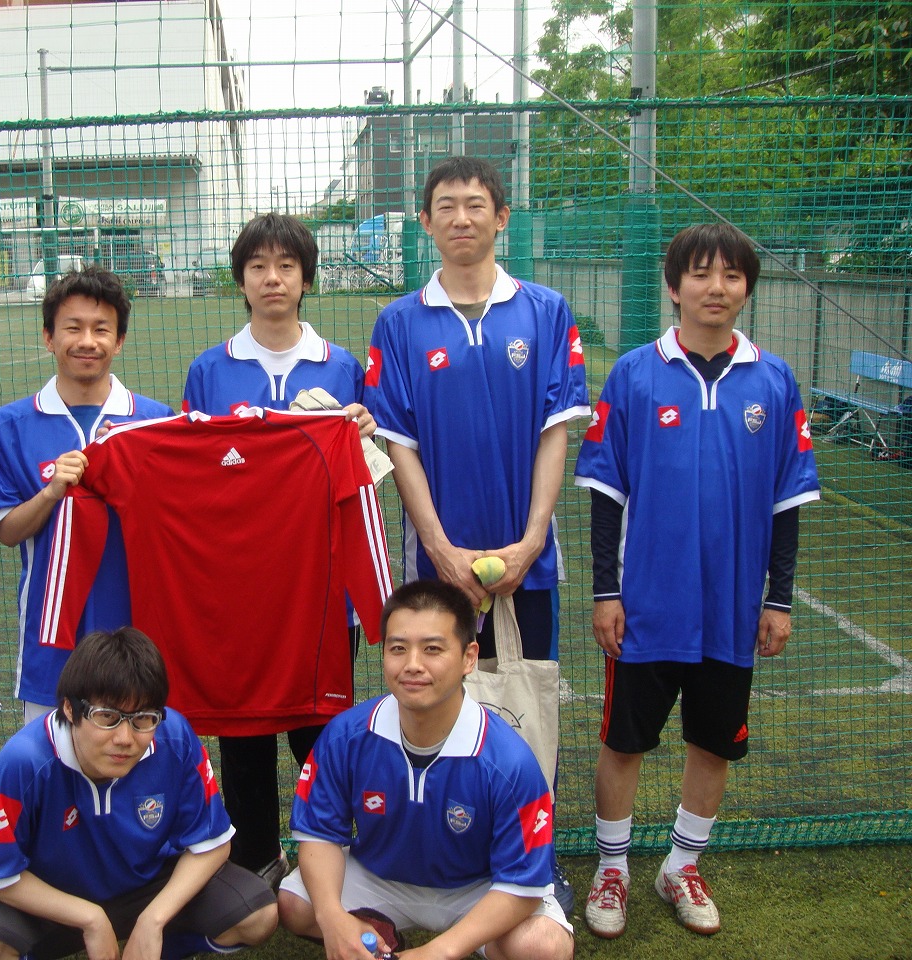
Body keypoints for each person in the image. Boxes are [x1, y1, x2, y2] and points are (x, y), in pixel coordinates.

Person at [573, 223, 821, 939]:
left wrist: (778, 599)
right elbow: (606, 495)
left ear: (747, 289)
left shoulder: (774, 381)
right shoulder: (635, 375)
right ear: (674, 286)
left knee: (713, 742)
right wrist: (607, 592)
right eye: (702, 273)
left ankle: (681, 866)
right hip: (648, 605)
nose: (717, 287)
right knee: (625, 741)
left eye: (732, 275)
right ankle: (613, 869)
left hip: (732, 610)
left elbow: (787, 503)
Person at [362, 156, 589, 910]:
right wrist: (438, 548)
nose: (462, 217)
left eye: (476, 203)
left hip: (529, 563)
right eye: (447, 205)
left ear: (502, 216)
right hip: (436, 566)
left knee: (525, 713)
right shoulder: (398, 322)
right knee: (433, 709)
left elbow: (556, 432)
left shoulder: (546, 311)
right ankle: (450, 858)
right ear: (425, 221)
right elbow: (399, 446)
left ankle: (532, 863)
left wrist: (531, 540)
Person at [181, 212, 377, 886]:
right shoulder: (209, 369)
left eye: (286, 266)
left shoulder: (341, 367)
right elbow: (196, 474)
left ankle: (332, 858)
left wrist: (361, 428)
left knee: (323, 734)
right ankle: (256, 861)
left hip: (324, 588)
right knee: (244, 732)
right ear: (240, 280)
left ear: (306, 279)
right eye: (258, 266)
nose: (273, 278)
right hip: (238, 588)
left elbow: (364, 475)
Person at [277, 579, 573, 960]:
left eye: (432, 649)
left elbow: (522, 883)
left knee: (543, 947)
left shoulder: (508, 760)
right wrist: (333, 918)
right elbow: (319, 835)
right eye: (398, 648)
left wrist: (440, 951)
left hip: (479, 888)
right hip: (380, 878)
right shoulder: (346, 736)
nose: (412, 665)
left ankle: (465, 941)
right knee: (296, 905)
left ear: (468, 657)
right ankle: (378, 932)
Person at [0, 626, 279, 960]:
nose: (125, 738)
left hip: (147, 888)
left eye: (143, 718)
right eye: (107, 717)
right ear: (69, 709)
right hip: (53, 902)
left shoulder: (175, 739)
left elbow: (213, 844)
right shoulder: (24, 762)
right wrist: (89, 918)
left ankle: (152, 949)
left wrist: (154, 919)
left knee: (258, 915)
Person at [0, 265, 172, 725]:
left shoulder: (154, 422)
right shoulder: (10, 424)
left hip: (137, 630)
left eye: (101, 329)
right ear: (49, 337)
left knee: (132, 749)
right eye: (73, 328)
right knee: (51, 754)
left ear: (119, 341)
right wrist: (51, 493)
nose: (87, 341)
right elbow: (7, 531)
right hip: (50, 636)